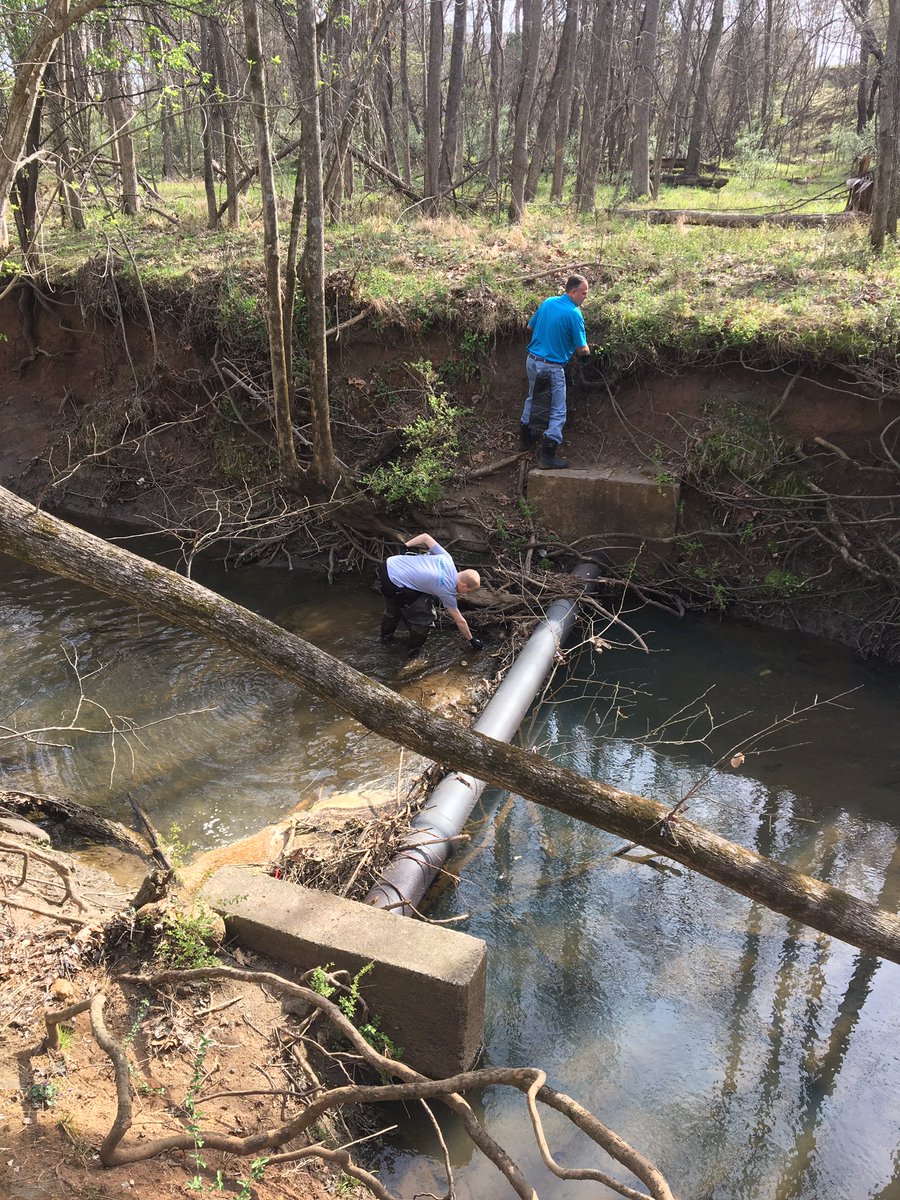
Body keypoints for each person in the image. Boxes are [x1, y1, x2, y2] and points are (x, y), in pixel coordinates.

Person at [519, 273, 591, 469]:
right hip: (551, 367)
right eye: (584, 293)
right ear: (573, 292)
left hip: (532, 361)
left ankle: (525, 439)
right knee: (558, 410)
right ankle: (547, 454)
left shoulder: (548, 302)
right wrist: (586, 360)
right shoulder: (574, 314)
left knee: (533, 397)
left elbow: (530, 326)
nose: (585, 297)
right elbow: (582, 349)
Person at [378, 533, 484, 656]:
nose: (466, 594)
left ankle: (385, 639)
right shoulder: (447, 589)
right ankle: (413, 653)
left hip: (389, 564)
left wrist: (405, 546)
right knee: (425, 620)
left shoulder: (447, 558)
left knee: (394, 608)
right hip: (395, 582)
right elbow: (460, 621)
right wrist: (471, 640)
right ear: (464, 586)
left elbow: (425, 537)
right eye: (468, 592)